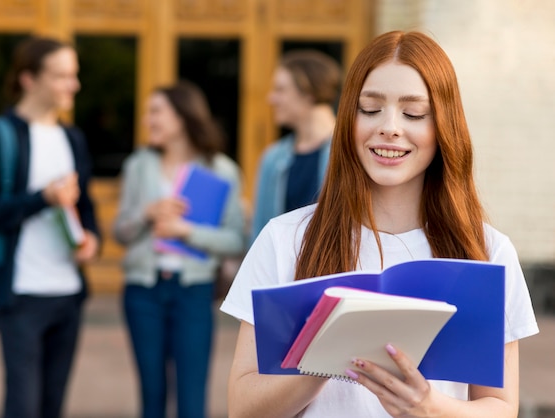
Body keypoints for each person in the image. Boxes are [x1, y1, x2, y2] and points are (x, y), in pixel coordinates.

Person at [220, 30, 539, 417]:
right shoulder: (285, 239)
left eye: (414, 113)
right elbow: (241, 407)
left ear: (443, 126)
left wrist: (428, 407)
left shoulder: (488, 252)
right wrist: (326, 355)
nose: (389, 126)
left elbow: (501, 408)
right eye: (370, 109)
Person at [0, 36, 100, 418]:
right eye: (61, 76)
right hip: (21, 294)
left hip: (69, 294)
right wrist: (42, 198)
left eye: (74, 75)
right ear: (28, 79)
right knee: (23, 407)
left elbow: (85, 208)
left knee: (53, 407)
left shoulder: (72, 138)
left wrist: (92, 241)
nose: (73, 85)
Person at [113, 81, 245, 418]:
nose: (148, 120)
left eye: (156, 111)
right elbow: (120, 232)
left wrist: (187, 232)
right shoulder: (138, 165)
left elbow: (235, 240)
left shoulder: (222, 170)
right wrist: (147, 214)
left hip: (193, 292)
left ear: (183, 116)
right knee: (152, 395)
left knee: (191, 399)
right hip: (143, 291)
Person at [250, 49, 342, 242]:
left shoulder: (349, 151)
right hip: (282, 270)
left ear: (308, 92)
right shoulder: (273, 158)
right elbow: (259, 232)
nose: (270, 99)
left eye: (280, 90)